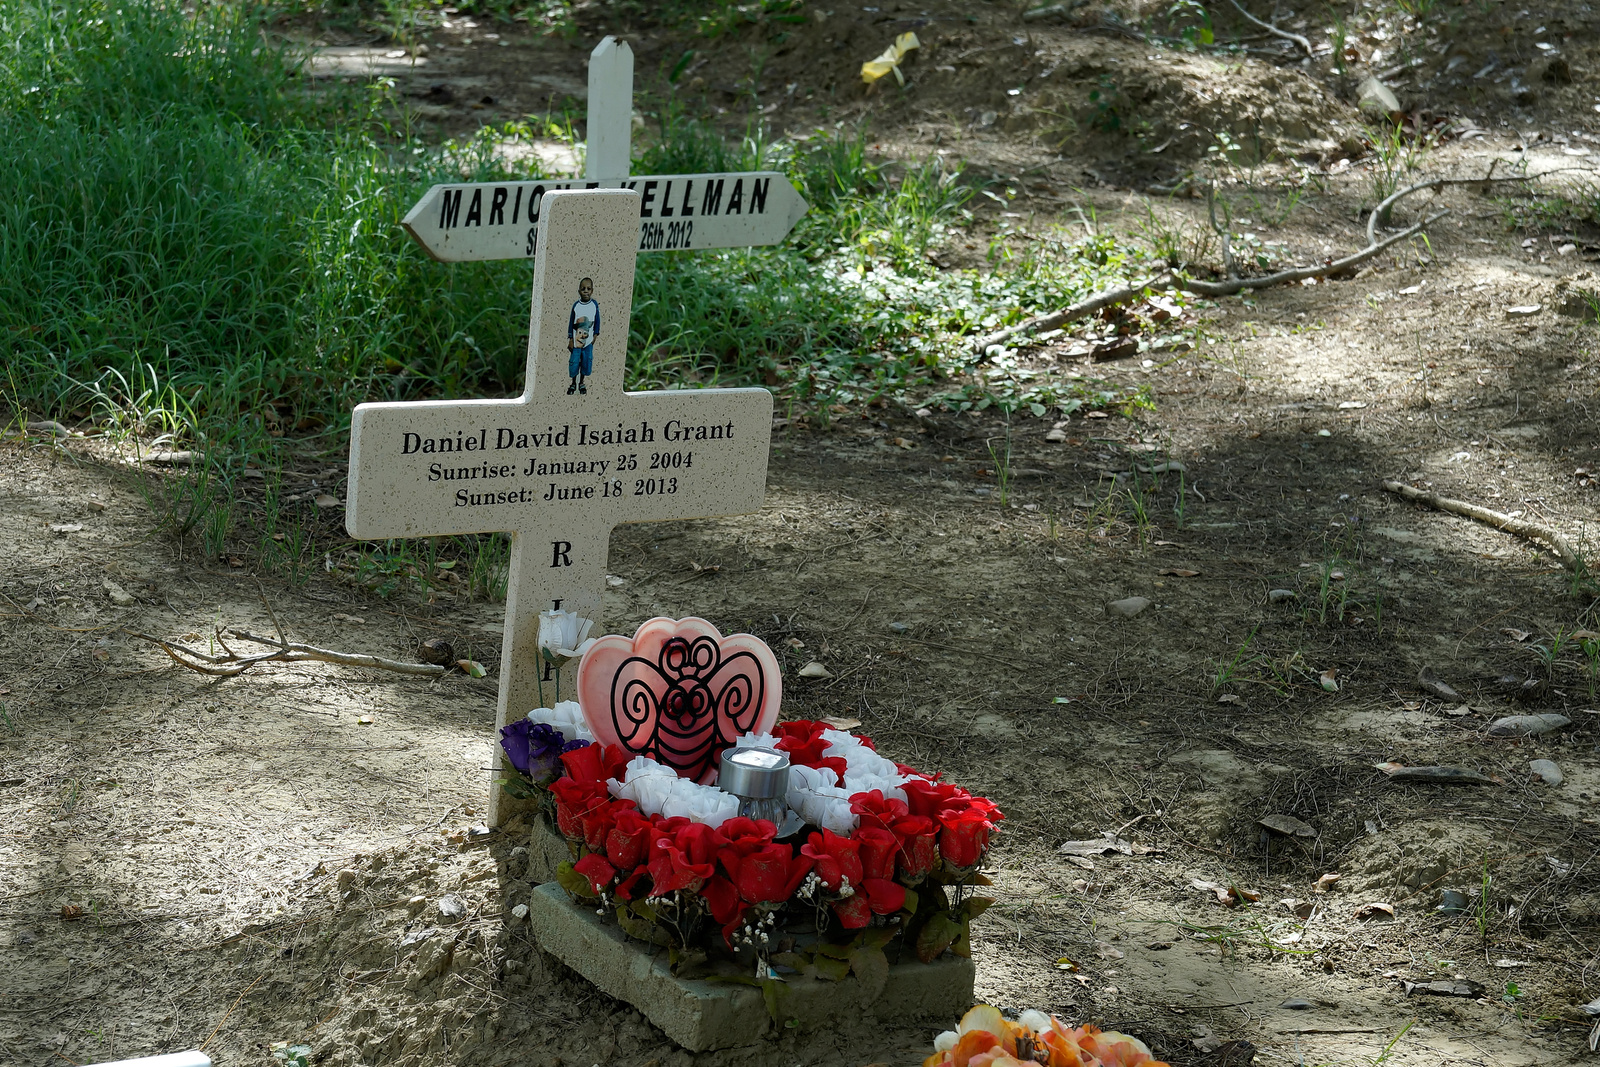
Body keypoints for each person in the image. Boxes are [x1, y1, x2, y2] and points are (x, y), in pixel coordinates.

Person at [567, 277, 599, 395]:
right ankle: (573, 383)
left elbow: (597, 320)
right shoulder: (576, 306)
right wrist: (570, 338)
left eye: (588, 289)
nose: (586, 291)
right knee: (574, 362)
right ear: (579, 291)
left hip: (588, 341)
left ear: (592, 291)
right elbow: (571, 322)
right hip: (576, 342)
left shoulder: (594, 305)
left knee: (586, 362)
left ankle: (582, 382)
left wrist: (595, 334)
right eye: (583, 289)